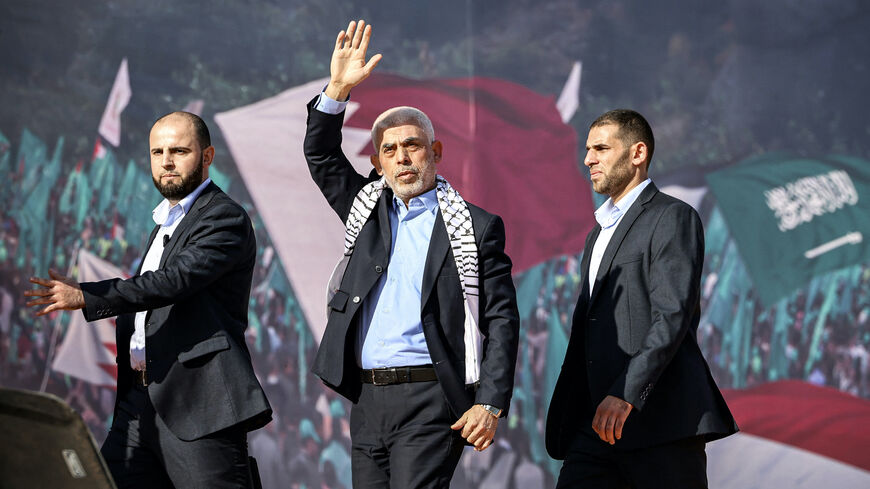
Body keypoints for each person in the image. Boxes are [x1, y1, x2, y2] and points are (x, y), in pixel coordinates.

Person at [304, 20, 520, 488]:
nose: (402, 158)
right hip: (366, 398)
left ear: (435, 152)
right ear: (377, 162)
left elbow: (500, 319)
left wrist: (491, 400)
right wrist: (337, 89)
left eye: (412, 146)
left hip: (430, 396)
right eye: (390, 150)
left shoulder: (476, 227)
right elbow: (321, 155)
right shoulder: (364, 210)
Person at [25, 111, 271, 488]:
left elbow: (175, 281)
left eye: (179, 150)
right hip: (138, 406)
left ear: (207, 157)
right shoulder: (164, 223)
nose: (166, 161)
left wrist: (89, 295)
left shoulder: (224, 217)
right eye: (157, 152)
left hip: (197, 405)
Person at [545, 109, 738, 488]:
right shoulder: (597, 233)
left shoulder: (672, 216)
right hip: (593, 426)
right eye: (587, 149)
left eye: (601, 148)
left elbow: (671, 317)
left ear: (637, 154)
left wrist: (626, 393)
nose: (588, 159)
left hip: (659, 424)